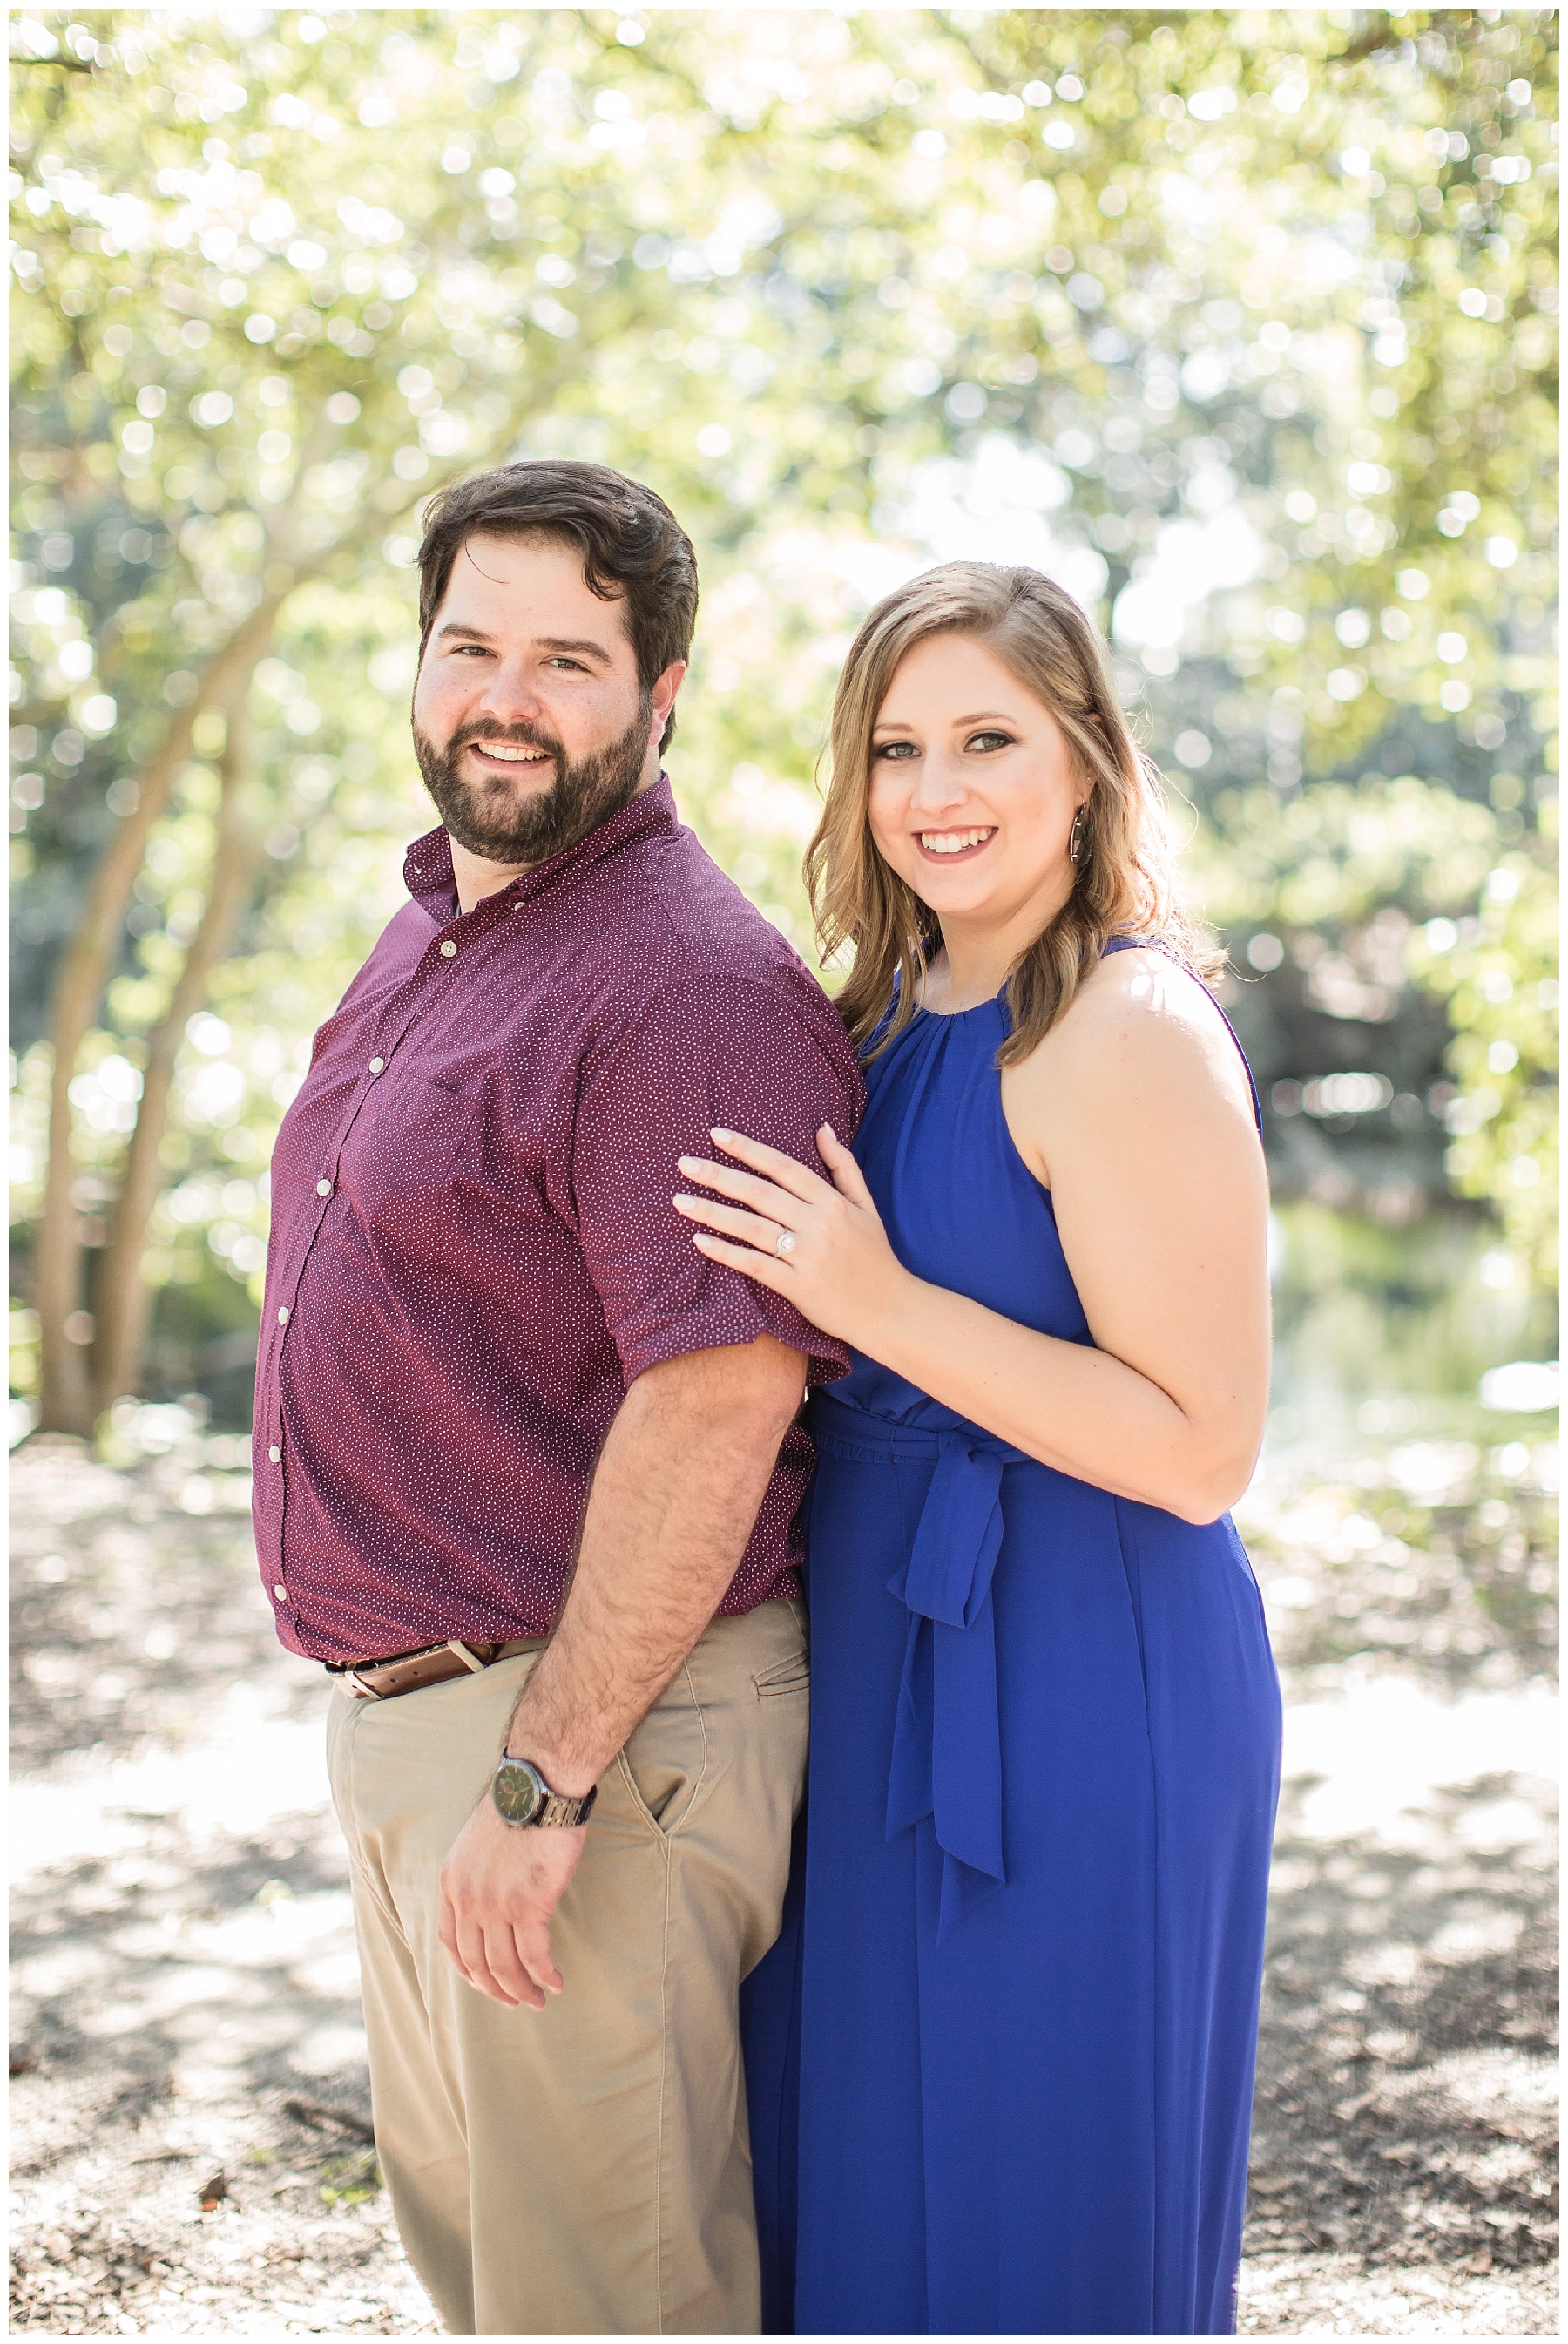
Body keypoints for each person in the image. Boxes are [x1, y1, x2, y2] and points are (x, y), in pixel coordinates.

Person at [252, 459, 863, 2337]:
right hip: (437, 1732)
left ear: (661, 694)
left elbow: (723, 1396)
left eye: (568, 659)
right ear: (418, 664)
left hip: (588, 1741)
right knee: (497, 2289)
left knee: (608, 2303)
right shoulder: (447, 925)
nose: (504, 695)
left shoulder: (684, 989)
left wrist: (545, 1772)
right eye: (470, 646)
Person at [673, 562, 1282, 2336]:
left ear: (1084, 762)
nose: (938, 790)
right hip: (877, 1661)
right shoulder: (869, 1021)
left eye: (989, 739)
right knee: (851, 2175)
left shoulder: (1128, 1031)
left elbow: (1203, 1448)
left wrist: (874, 1296)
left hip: (1091, 1673)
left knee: (1038, 2192)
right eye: (897, 746)